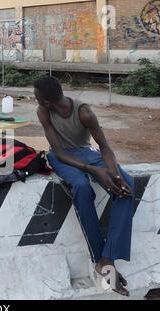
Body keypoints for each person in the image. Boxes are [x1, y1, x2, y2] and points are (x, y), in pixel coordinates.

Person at [33, 76, 135, 297]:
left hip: (87, 153)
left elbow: (104, 147)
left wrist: (115, 175)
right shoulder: (43, 112)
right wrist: (93, 170)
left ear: (46, 101)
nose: (35, 98)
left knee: (127, 185)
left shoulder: (84, 112)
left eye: (37, 95)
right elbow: (59, 152)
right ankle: (102, 262)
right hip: (62, 158)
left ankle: (107, 257)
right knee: (81, 186)